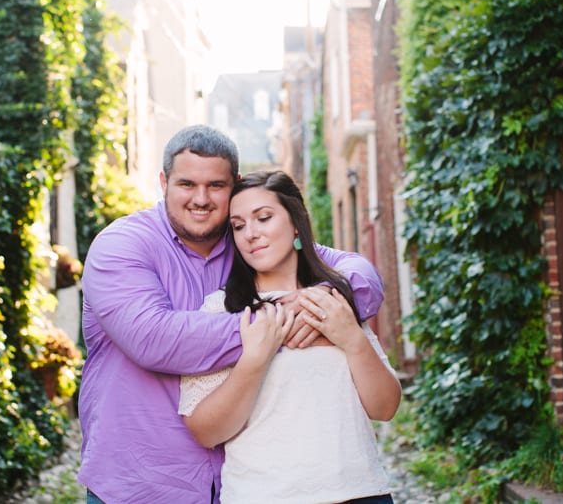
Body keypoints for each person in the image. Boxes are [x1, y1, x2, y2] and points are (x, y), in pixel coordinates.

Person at [77, 125, 385, 503]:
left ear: (235, 186)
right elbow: (153, 338)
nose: (201, 199)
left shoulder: (248, 242)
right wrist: (275, 326)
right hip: (140, 484)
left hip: (236, 485)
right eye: (186, 184)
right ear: (163, 182)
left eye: (216, 186)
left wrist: (321, 303)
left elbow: (359, 274)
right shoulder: (122, 246)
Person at [179, 170, 401, 504]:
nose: (251, 234)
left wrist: (352, 340)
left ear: (296, 223)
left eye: (264, 218)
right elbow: (206, 432)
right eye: (238, 226)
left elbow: (385, 407)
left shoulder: (333, 298)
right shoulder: (221, 311)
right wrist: (254, 360)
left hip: (359, 493)